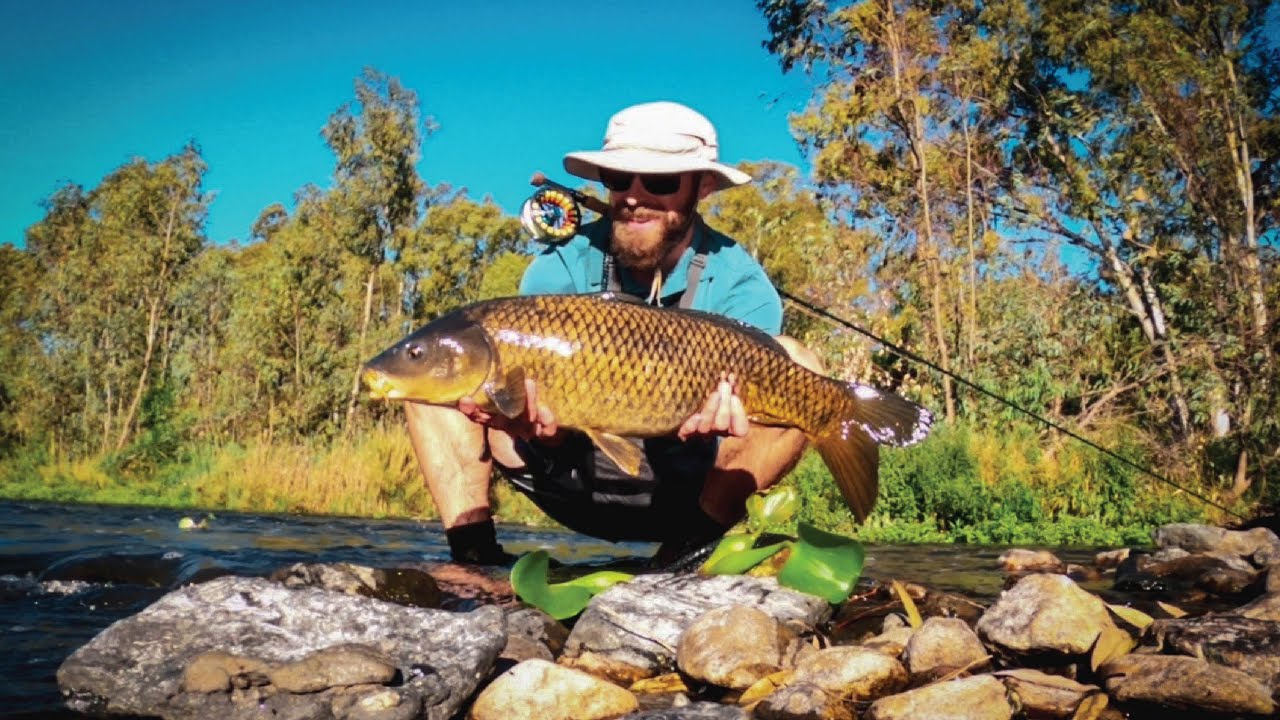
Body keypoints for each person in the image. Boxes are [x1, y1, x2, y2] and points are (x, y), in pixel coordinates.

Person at [403, 101, 823, 565]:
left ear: (702, 186)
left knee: (799, 366)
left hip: (688, 494)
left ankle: (684, 557)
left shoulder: (741, 282)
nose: (634, 196)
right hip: (568, 481)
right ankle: (473, 556)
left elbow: (750, 435)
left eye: (660, 181)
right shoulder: (561, 265)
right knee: (437, 374)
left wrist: (723, 424)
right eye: (619, 180)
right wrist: (544, 432)